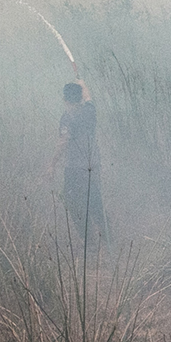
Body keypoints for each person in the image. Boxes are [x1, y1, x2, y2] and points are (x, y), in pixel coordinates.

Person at [48, 80, 107, 246]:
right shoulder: (90, 110)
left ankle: (91, 243)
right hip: (92, 165)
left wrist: (52, 164)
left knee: (73, 204)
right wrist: (83, 85)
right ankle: (110, 241)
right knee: (94, 202)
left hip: (74, 168)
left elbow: (63, 142)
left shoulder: (68, 117)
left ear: (65, 100)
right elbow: (89, 97)